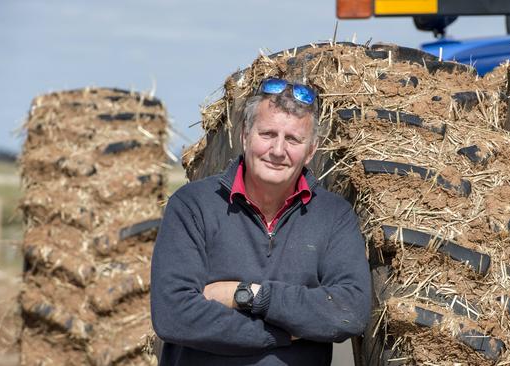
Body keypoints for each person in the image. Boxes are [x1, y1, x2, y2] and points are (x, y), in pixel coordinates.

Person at [150, 77, 372, 366]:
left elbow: (349, 311)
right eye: (267, 134)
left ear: (311, 150)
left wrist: (249, 296)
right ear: (245, 135)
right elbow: (173, 315)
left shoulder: (333, 216)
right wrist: (287, 331)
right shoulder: (193, 206)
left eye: (293, 139)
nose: (278, 151)